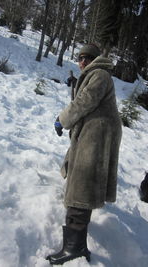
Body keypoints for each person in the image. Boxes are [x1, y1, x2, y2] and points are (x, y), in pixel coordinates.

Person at [46, 43, 122, 265]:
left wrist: (62, 119)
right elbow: (86, 98)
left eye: (87, 58)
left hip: (96, 137)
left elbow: (84, 101)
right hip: (92, 133)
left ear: (95, 59)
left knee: (83, 185)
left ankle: (74, 247)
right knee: (82, 184)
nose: (82, 62)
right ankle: (76, 244)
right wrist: (75, 85)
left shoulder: (99, 74)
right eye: (79, 58)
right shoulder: (95, 75)